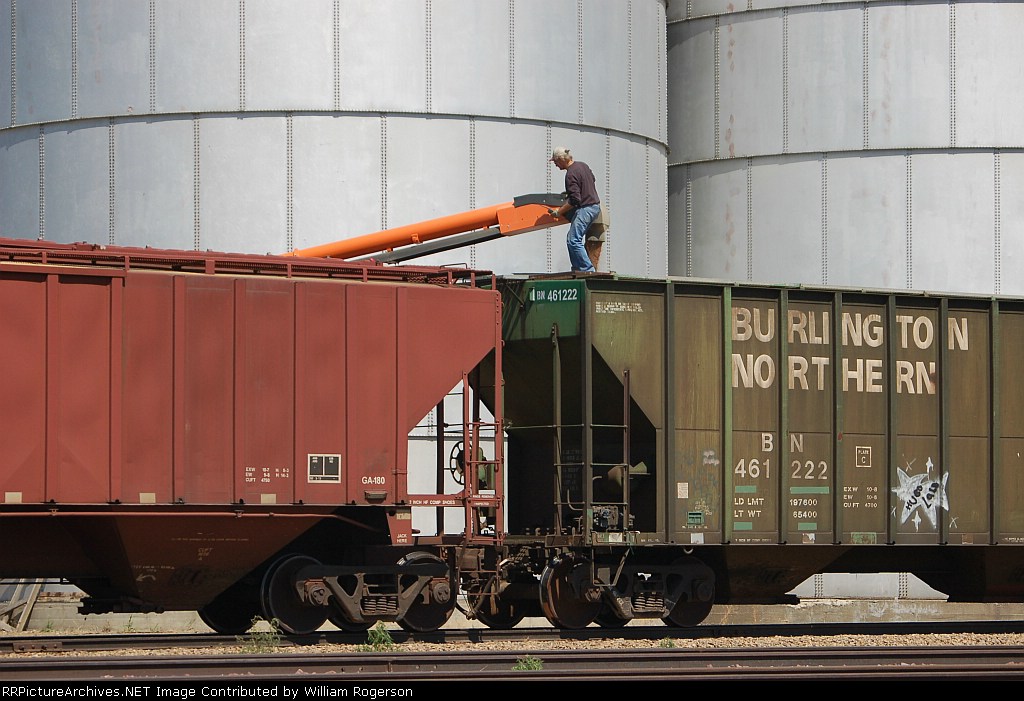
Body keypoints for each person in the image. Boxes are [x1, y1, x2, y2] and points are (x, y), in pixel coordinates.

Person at [549, 146, 600, 273]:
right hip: (595, 207)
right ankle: (578, 268)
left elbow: (575, 200)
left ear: (562, 159)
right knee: (574, 239)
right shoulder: (583, 165)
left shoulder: (570, 174)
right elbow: (592, 179)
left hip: (586, 209)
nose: (555, 165)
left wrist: (558, 212)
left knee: (573, 240)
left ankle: (587, 269)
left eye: (555, 162)